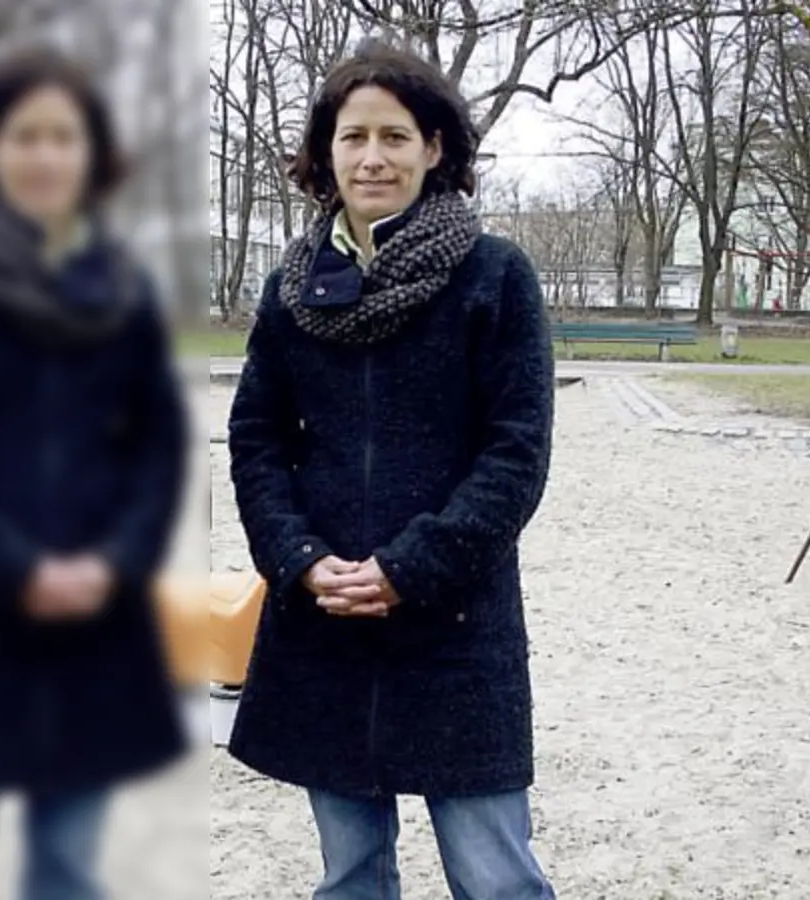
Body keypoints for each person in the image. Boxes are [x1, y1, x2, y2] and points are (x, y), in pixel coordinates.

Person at [226, 42, 556, 899]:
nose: (373, 157)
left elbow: (516, 453)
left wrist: (413, 567)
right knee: (352, 876)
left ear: (435, 147)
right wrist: (297, 560)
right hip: (324, 621)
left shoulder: (494, 278)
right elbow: (257, 437)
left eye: (396, 136)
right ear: (326, 152)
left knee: (497, 879)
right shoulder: (292, 290)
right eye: (353, 136)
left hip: (454, 621)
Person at [0, 47, 190, 899]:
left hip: (90, 628)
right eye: (26, 134)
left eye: (66, 136)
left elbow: (159, 449)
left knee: (65, 869)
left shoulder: (120, 292)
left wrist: (113, 564)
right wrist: (19, 570)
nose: (47, 156)